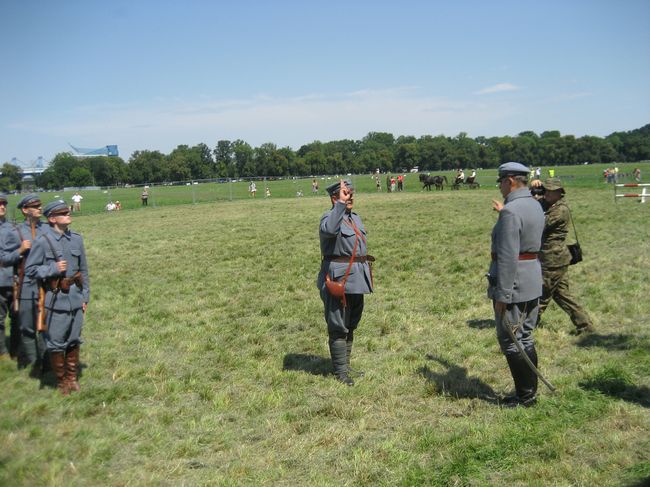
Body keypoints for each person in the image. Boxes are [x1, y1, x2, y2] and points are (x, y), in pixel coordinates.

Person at [488, 162, 545, 407]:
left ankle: (526, 396)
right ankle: (529, 393)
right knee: (526, 338)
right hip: (531, 279)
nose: (500, 186)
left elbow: (509, 255)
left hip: (514, 285)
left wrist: (503, 294)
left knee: (511, 340)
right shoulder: (534, 204)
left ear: (510, 180)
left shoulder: (510, 211)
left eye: (500, 181)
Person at [25, 200, 90, 395]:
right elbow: (30, 270)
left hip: (76, 298)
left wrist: (85, 296)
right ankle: (61, 381)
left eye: (68, 211)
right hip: (56, 301)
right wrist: (52, 268)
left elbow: (83, 271)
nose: (68, 214)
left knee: (73, 340)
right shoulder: (43, 242)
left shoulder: (76, 239)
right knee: (56, 343)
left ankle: (72, 378)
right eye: (63, 212)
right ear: (52, 218)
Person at [317, 179, 374, 386]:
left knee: (351, 324)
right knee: (338, 326)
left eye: (350, 193)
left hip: (357, 278)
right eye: (345, 193)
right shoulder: (329, 217)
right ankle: (340, 373)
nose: (350, 196)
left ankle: (346, 366)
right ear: (335, 197)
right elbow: (330, 230)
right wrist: (339, 206)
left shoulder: (355, 218)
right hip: (338, 279)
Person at [532, 178, 595, 334]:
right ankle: (585, 325)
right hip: (553, 258)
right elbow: (537, 206)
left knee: (542, 294)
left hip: (553, 260)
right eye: (544, 190)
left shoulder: (560, 210)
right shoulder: (550, 204)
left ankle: (526, 326)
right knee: (562, 295)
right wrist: (531, 191)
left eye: (549, 191)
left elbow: (540, 224)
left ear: (559, 193)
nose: (545, 193)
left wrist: (535, 201)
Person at [0, 194, 47, 373]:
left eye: (4, 204)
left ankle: (30, 356)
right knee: (12, 322)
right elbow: (5, 258)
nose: (2, 206)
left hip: (32, 282)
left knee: (30, 321)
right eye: (0, 204)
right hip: (13, 281)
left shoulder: (43, 229)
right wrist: (20, 250)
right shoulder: (15, 231)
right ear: (25, 210)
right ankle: (10, 353)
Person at [0, 195, 21, 360]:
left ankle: (15, 349)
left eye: (3, 204)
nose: (2, 207)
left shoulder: (13, 227)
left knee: (17, 316)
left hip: (14, 278)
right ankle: (2, 351)